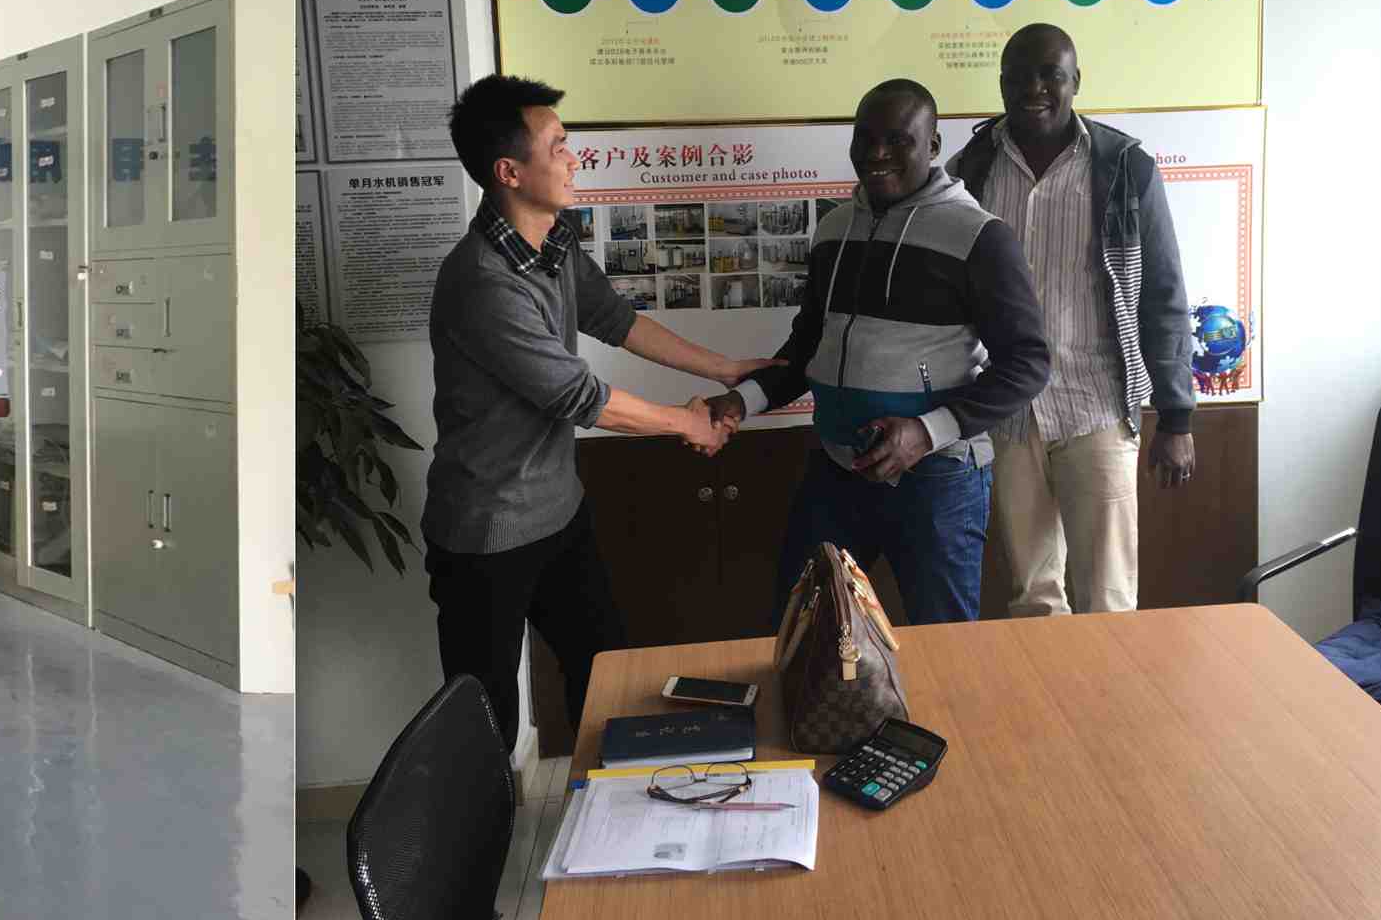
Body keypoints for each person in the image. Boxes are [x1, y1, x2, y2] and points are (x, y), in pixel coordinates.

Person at [425, 74, 772, 748]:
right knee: (484, 717)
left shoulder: (552, 244)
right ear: (509, 172)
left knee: (604, 669)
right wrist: (688, 423)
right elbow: (580, 398)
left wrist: (724, 369)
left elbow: (616, 320)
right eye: (557, 146)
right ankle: (485, 819)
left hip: (559, 512)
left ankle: (606, 802)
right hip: (486, 531)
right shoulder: (482, 282)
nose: (572, 158)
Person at [712, 79, 1053, 627]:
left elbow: (1028, 364)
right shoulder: (833, 230)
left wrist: (926, 432)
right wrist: (741, 402)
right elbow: (807, 346)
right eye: (864, 138)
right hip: (836, 472)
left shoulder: (979, 236)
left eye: (898, 139)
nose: (876, 154)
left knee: (943, 641)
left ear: (933, 146)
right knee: (804, 626)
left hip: (937, 480)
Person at [945, 23, 1195, 616]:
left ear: (1075, 81)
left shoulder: (1124, 167)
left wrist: (1177, 416)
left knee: (1109, 598)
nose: (1034, 88)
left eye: (1050, 75)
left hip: (1096, 409)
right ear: (1000, 84)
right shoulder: (971, 168)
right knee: (1033, 597)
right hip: (1007, 414)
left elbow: (1163, 292)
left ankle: (1110, 686)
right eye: (1018, 77)